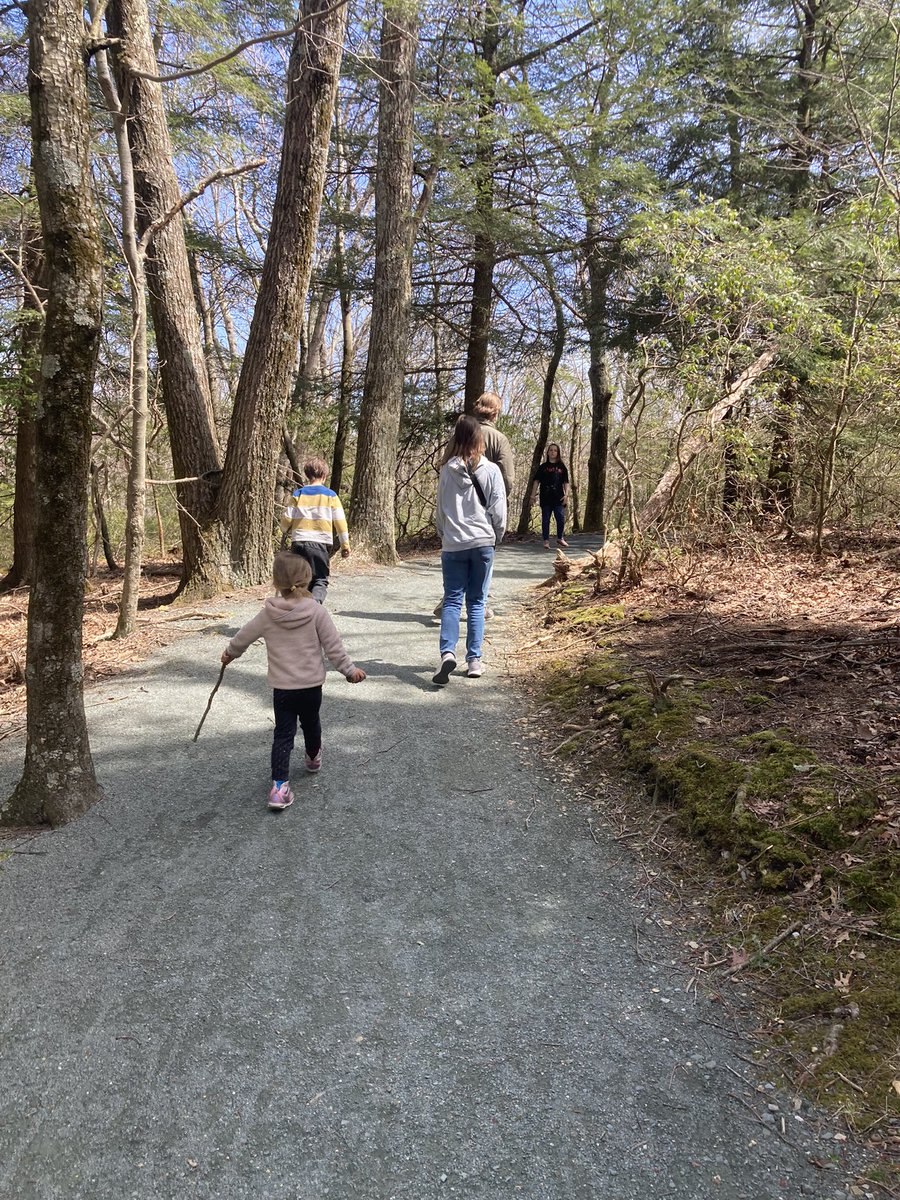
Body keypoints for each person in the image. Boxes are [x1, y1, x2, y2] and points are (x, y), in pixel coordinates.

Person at [221, 552, 366, 811]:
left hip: (283, 689)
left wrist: (231, 652)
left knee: (283, 735)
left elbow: (244, 636)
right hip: (310, 687)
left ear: (276, 582)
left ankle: (279, 787)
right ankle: (312, 757)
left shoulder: (268, 614)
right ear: (308, 580)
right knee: (311, 723)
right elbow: (334, 648)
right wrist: (349, 670)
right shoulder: (316, 612)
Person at [433, 414, 507, 685]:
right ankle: (474, 660)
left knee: (452, 600)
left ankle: (447, 653)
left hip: (453, 544)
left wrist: (444, 534)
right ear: (480, 439)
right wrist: (496, 536)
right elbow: (498, 509)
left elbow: (440, 509)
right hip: (482, 543)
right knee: (477, 602)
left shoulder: (446, 470)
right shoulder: (491, 470)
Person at [432, 391, 514, 618]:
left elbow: (445, 464)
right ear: (496, 412)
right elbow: (508, 478)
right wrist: (498, 505)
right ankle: (479, 606)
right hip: (485, 513)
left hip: (455, 512)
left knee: (457, 560)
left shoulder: (459, 435)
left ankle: (449, 602)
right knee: (481, 560)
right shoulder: (499, 439)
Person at [280, 457, 350, 604]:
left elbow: (287, 518)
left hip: (298, 542)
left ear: (307, 475)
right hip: (319, 544)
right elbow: (340, 523)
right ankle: (314, 606)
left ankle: (296, 610)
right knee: (319, 580)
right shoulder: (330, 495)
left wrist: (284, 529)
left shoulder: (298, 494)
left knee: (299, 581)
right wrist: (345, 546)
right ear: (324, 476)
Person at [531, 443, 570, 549]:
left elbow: (566, 482)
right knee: (546, 519)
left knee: (560, 518)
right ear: (548, 453)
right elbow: (536, 481)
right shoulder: (543, 467)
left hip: (559, 497)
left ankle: (560, 538)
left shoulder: (562, 467)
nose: (553, 452)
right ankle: (546, 540)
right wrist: (533, 495)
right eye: (551, 450)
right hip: (546, 496)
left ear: (558, 453)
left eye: (555, 450)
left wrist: (566, 495)